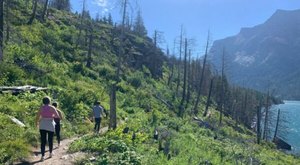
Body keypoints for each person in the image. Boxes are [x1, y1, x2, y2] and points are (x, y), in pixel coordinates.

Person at [36, 96, 60, 161]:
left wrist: (36, 124)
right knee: (50, 140)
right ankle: (50, 153)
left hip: (42, 124)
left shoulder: (41, 108)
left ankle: (42, 156)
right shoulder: (52, 107)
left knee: (43, 141)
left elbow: (37, 117)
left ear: (43, 101)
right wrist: (52, 115)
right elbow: (57, 116)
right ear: (49, 101)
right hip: (50, 124)